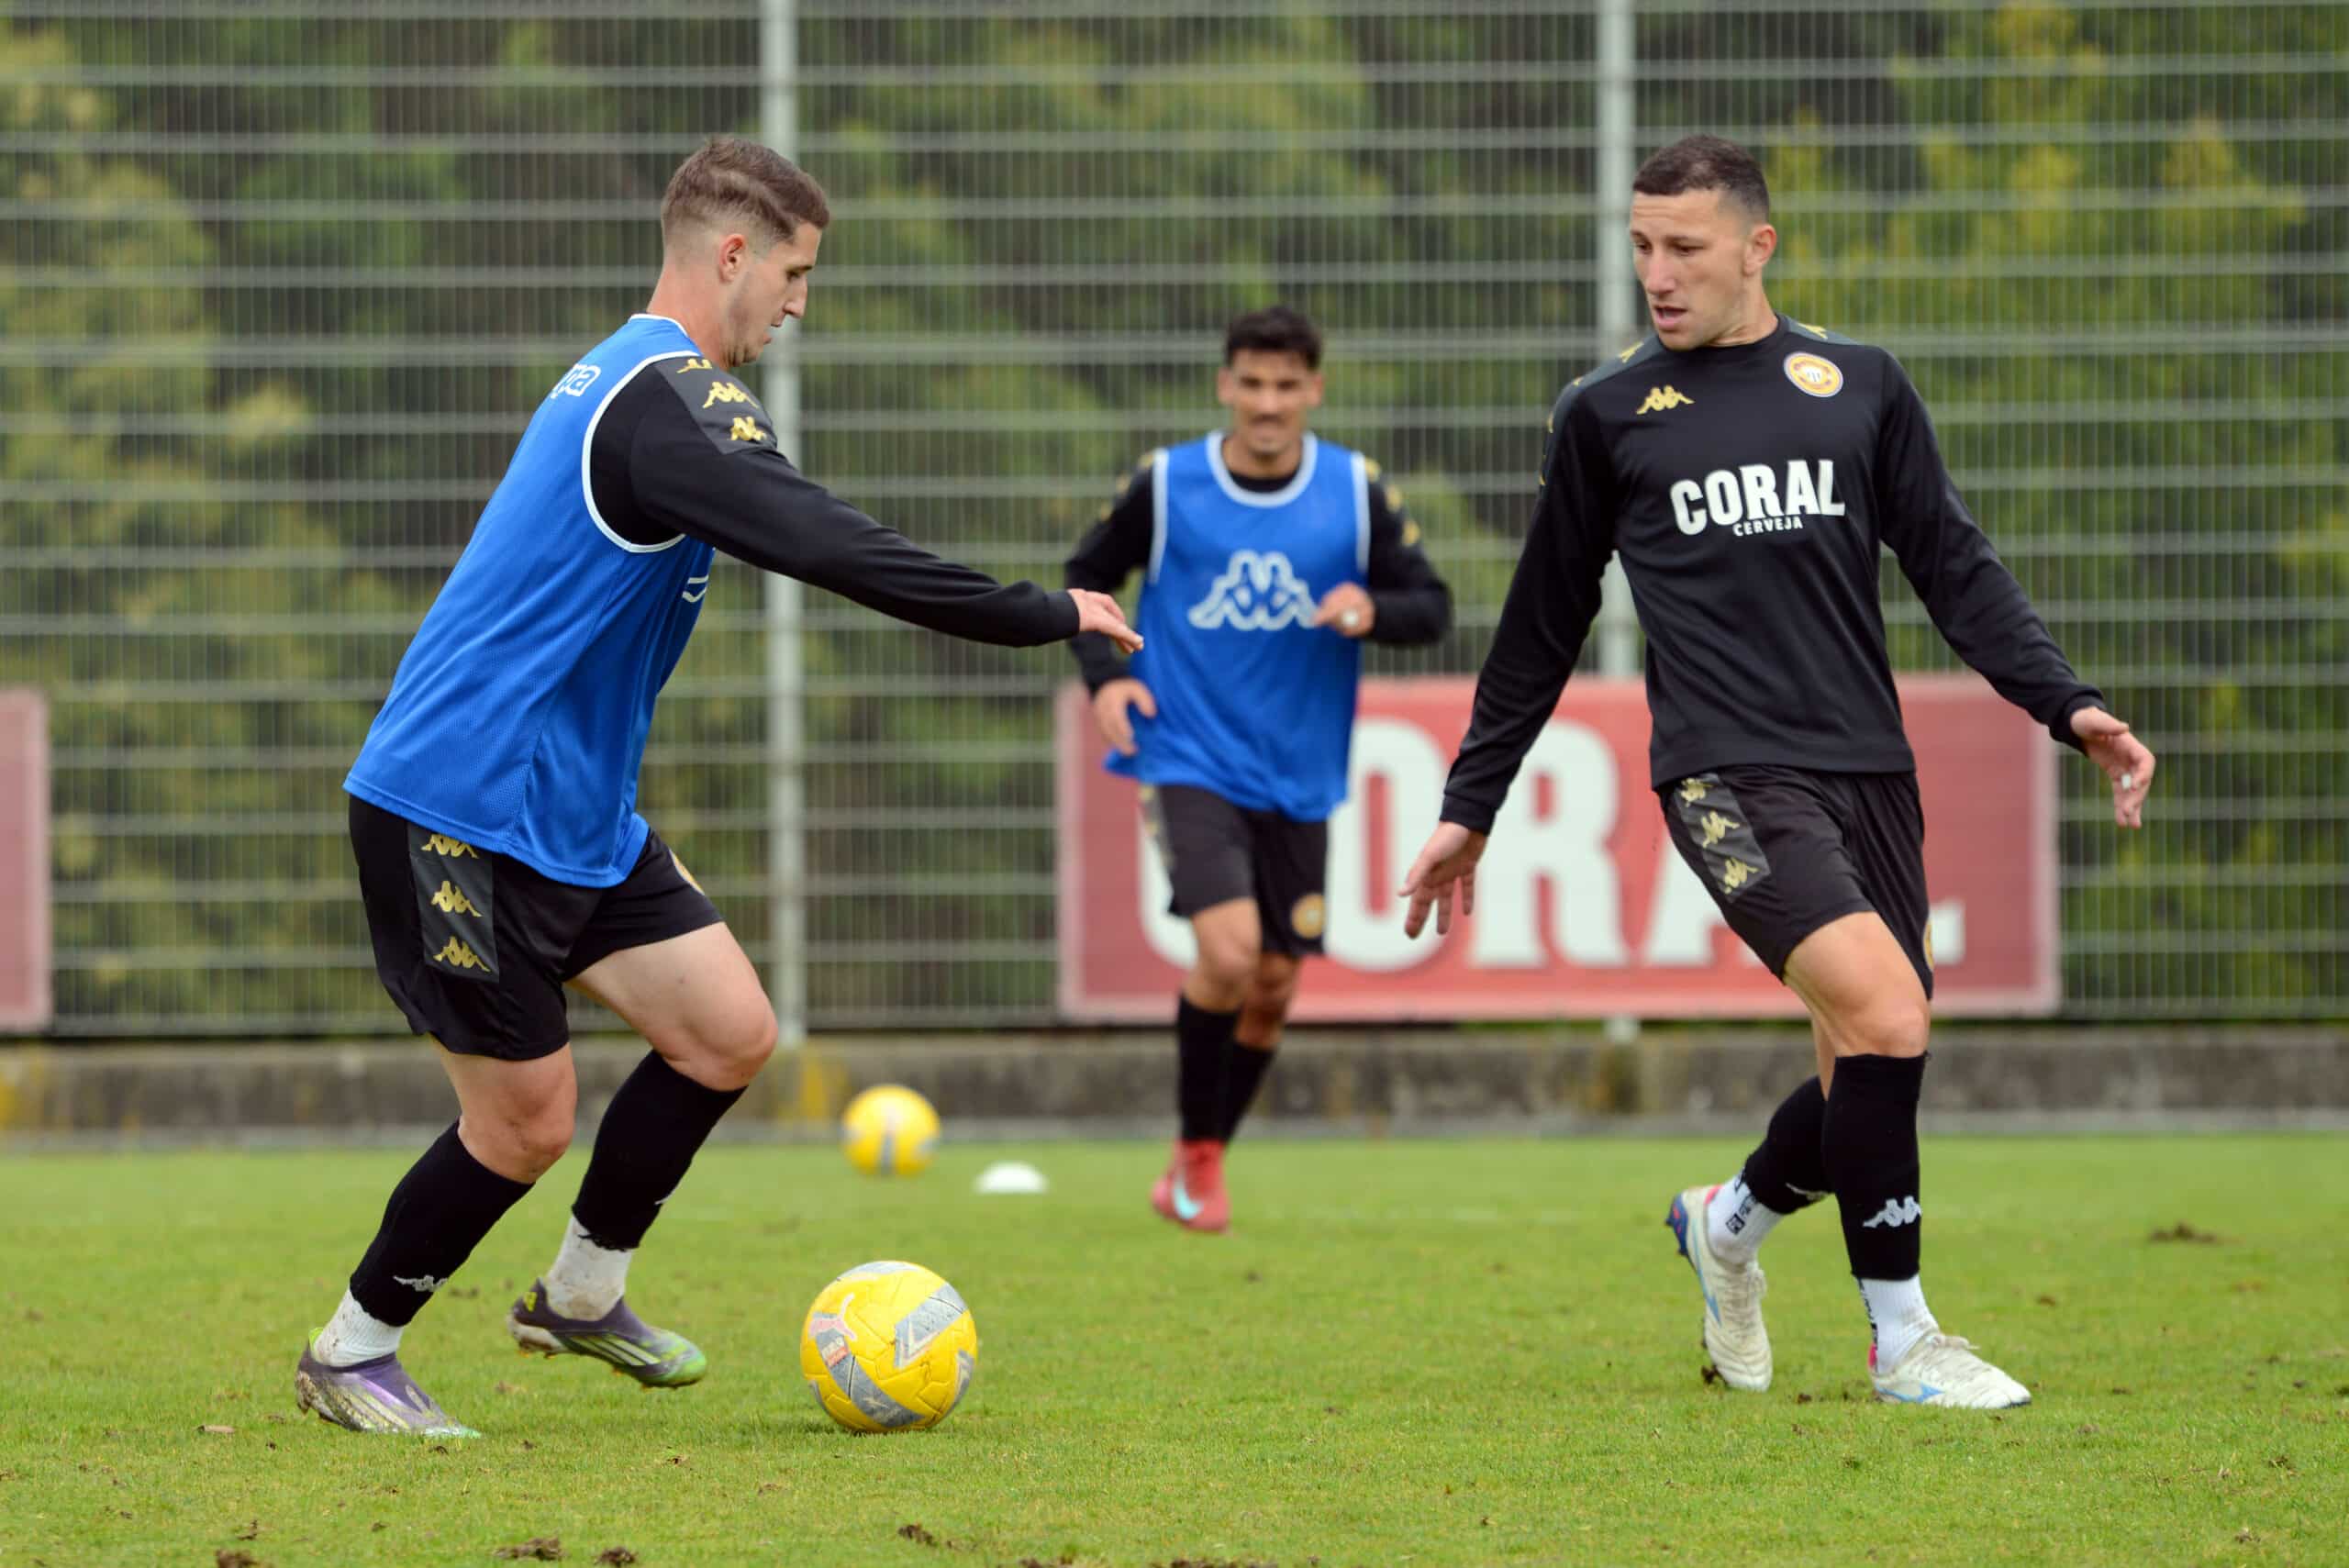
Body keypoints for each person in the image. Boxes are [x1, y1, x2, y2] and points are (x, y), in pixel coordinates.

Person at [300, 136, 1141, 1437]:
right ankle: (353, 1350)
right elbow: (825, 541)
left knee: (728, 1030)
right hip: (456, 806)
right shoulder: (668, 398)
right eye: (794, 274)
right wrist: (1041, 612)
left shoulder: (639, 384)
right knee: (524, 1125)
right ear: (732, 253)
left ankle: (581, 1293)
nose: (798, 305)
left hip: (569, 809)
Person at [1397, 136, 2154, 1408]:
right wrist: (1470, 804)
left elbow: (1952, 563)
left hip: (1869, 768)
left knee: (1867, 1060)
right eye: (1640, 247)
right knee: (1891, 1017)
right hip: (1725, 772)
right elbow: (1540, 625)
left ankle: (1727, 1224)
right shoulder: (1606, 414)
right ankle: (1903, 1341)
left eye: (1684, 248)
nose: (1657, 274)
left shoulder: (1859, 384)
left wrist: (2067, 704)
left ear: (1758, 247)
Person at [1065, 306, 1451, 1233]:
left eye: (1286, 385)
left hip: (1300, 771)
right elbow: (1086, 577)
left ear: (1313, 389)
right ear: (1225, 385)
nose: (1268, 404)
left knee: (1274, 984)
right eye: (1252, 383)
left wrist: (1372, 609)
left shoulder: (1354, 489)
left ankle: (1195, 1163)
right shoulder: (1168, 484)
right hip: (1186, 753)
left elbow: (1431, 605)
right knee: (1231, 951)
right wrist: (1107, 679)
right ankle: (1199, 1159)